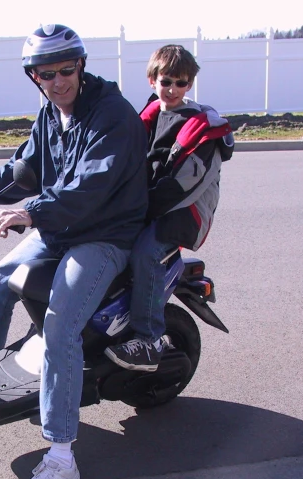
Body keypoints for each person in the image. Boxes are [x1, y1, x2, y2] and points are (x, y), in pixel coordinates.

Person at [0, 24, 149, 479]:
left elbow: (90, 188)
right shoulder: (51, 114)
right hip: (62, 227)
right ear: (33, 76)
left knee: (59, 328)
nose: (57, 81)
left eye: (65, 70)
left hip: (103, 235)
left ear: (81, 64)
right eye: (45, 73)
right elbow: (23, 171)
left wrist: (31, 212)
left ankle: (61, 458)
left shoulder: (113, 116)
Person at [104, 44, 234, 372]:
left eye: (180, 82)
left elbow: (183, 186)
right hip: (148, 203)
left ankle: (148, 340)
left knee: (146, 253)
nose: (172, 89)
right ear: (152, 81)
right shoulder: (147, 117)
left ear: (190, 84)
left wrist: (137, 209)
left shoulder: (201, 126)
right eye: (166, 81)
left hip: (182, 212)